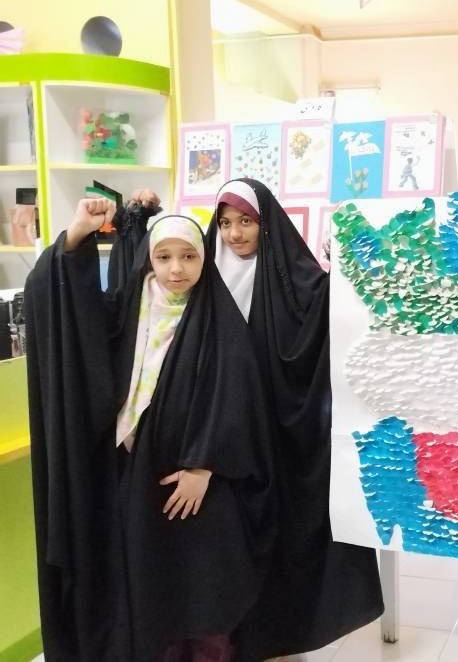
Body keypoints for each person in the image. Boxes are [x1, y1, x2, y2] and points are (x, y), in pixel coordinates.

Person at [25, 197, 276, 661]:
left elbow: (239, 399)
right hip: (137, 472)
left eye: (188, 256)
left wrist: (206, 466)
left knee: (200, 586)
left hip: (198, 484)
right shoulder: (129, 309)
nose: (176, 269)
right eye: (164, 256)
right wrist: (76, 236)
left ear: (204, 258)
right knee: (146, 579)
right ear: (149, 259)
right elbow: (66, 308)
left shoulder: (220, 318)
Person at [206, 178, 384, 660]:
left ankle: (285, 633)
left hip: (282, 433)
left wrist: (345, 260)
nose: (235, 233)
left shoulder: (294, 275)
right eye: (225, 223)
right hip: (226, 436)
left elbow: (326, 309)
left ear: (267, 222)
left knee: (285, 534)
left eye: (246, 221)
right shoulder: (205, 275)